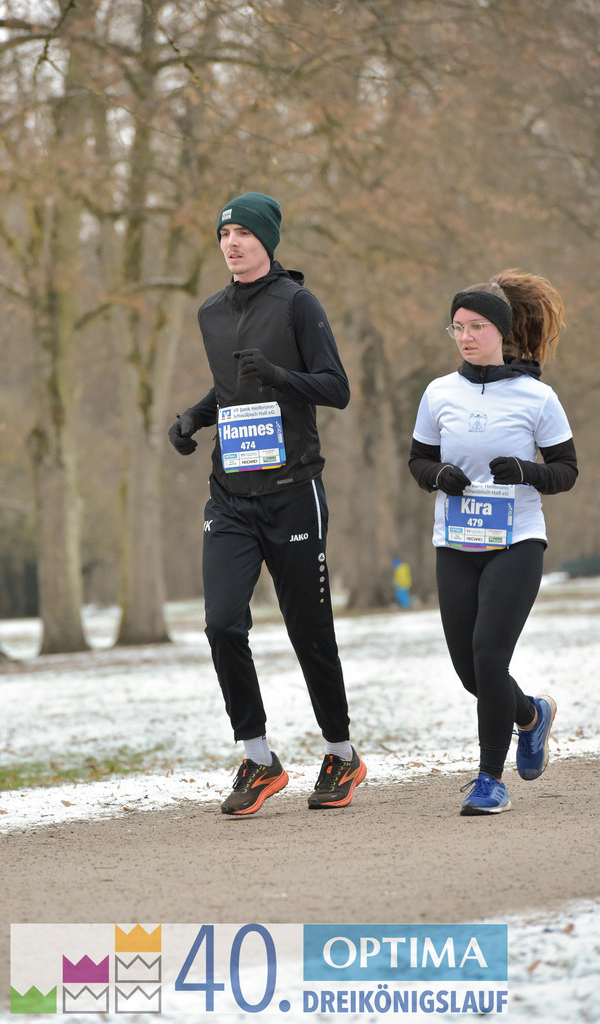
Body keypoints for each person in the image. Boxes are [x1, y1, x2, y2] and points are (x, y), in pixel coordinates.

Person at [168, 192, 366, 815]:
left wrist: (282, 378)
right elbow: (230, 388)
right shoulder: (211, 313)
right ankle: (258, 758)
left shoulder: (298, 304)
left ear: (267, 241)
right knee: (223, 623)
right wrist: (195, 418)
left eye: (244, 233)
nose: (232, 242)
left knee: (309, 629)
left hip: (292, 492)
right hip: (230, 492)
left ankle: (341, 753)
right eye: (224, 233)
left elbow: (336, 388)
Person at [408, 269, 578, 816]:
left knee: (488, 653)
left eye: (476, 326)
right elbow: (417, 460)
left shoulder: (537, 396)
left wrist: (527, 472)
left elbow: (567, 470)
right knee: (469, 670)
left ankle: (488, 779)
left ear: (501, 332)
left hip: (517, 542)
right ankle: (530, 715)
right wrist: (438, 476)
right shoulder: (438, 393)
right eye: (456, 327)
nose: (464, 336)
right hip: (455, 542)